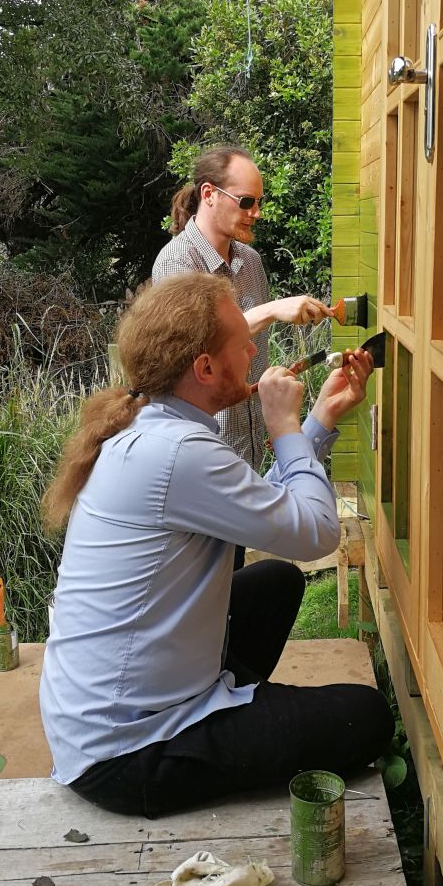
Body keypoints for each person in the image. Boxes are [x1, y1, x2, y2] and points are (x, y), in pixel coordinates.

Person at [39, 272, 393, 818]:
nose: (255, 348)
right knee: (367, 717)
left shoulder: (156, 430)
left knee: (275, 583)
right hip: (129, 755)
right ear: (204, 368)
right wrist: (283, 425)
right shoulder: (179, 452)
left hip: (101, 716)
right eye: (241, 343)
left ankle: (241, 716)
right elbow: (317, 533)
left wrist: (315, 423)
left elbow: (271, 514)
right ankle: (231, 725)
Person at [151, 145, 332, 471]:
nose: (256, 212)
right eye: (246, 201)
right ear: (209, 194)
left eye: (259, 202)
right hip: (201, 454)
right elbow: (196, 351)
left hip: (249, 446)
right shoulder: (177, 262)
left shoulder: (250, 262)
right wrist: (272, 310)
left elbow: (251, 352)